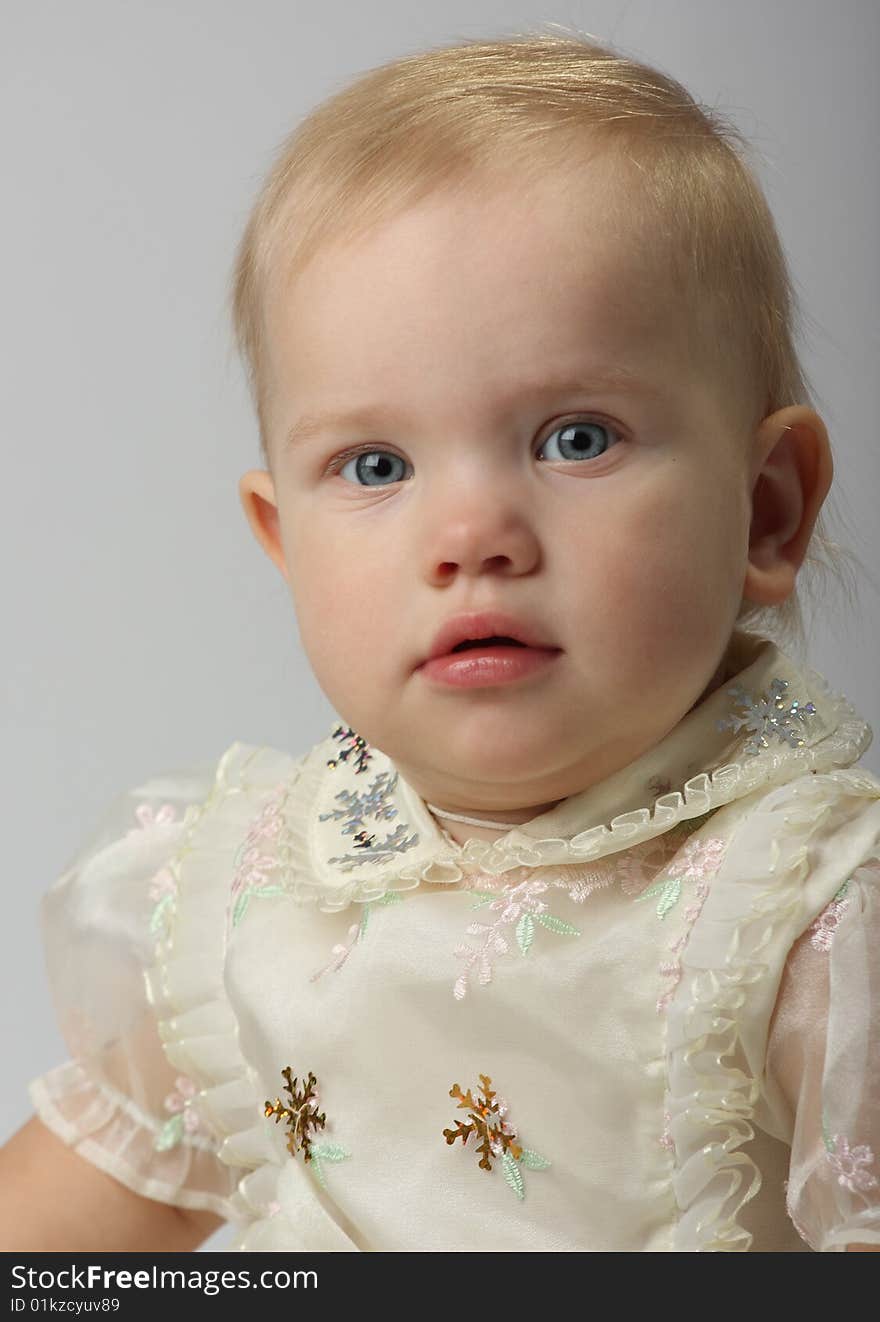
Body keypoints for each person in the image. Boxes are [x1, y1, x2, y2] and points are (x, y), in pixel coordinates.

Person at [2, 27, 878, 1253]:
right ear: (282, 538)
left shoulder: (810, 913)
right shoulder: (235, 899)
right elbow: (57, 1228)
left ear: (767, 505)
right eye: (375, 465)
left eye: (575, 437)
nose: (471, 534)